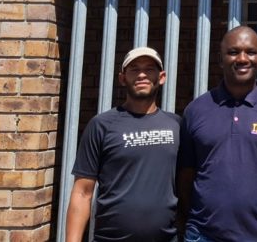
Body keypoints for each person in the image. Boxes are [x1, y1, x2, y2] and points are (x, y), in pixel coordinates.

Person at [177, 26, 257, 242]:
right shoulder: (196, 110)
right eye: (233, 52)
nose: (243, 58)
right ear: (220, 59)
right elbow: (185, 177)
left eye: (251, 52)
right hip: (203, 235)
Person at [66, 46, 182, 242]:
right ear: (122, 78)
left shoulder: (177, 125)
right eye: (134, 69)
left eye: (149, 69)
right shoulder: (101, 125)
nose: (142, 74)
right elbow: (82, 192)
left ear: (162, 77)